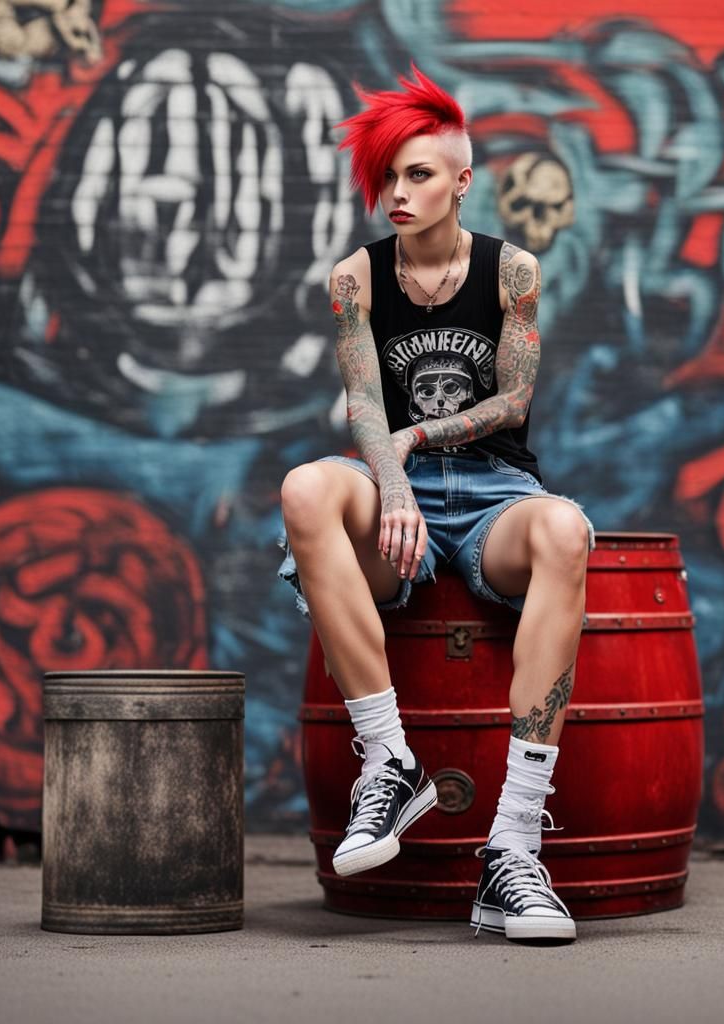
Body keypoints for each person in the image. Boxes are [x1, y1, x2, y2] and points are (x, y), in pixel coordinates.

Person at [278, 65, 595, 944]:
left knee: (566, 528)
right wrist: (392, 481)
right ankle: (390, 763)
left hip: (495, 493)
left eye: (417, 174)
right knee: (305, 487)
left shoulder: (512, 271)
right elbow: (363, 405)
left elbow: (514, 401)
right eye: (386, 176)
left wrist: (417, 439)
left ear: (462, 180)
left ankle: (513, 847)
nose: (397, 193)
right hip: (394, 491)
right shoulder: (355, 279)